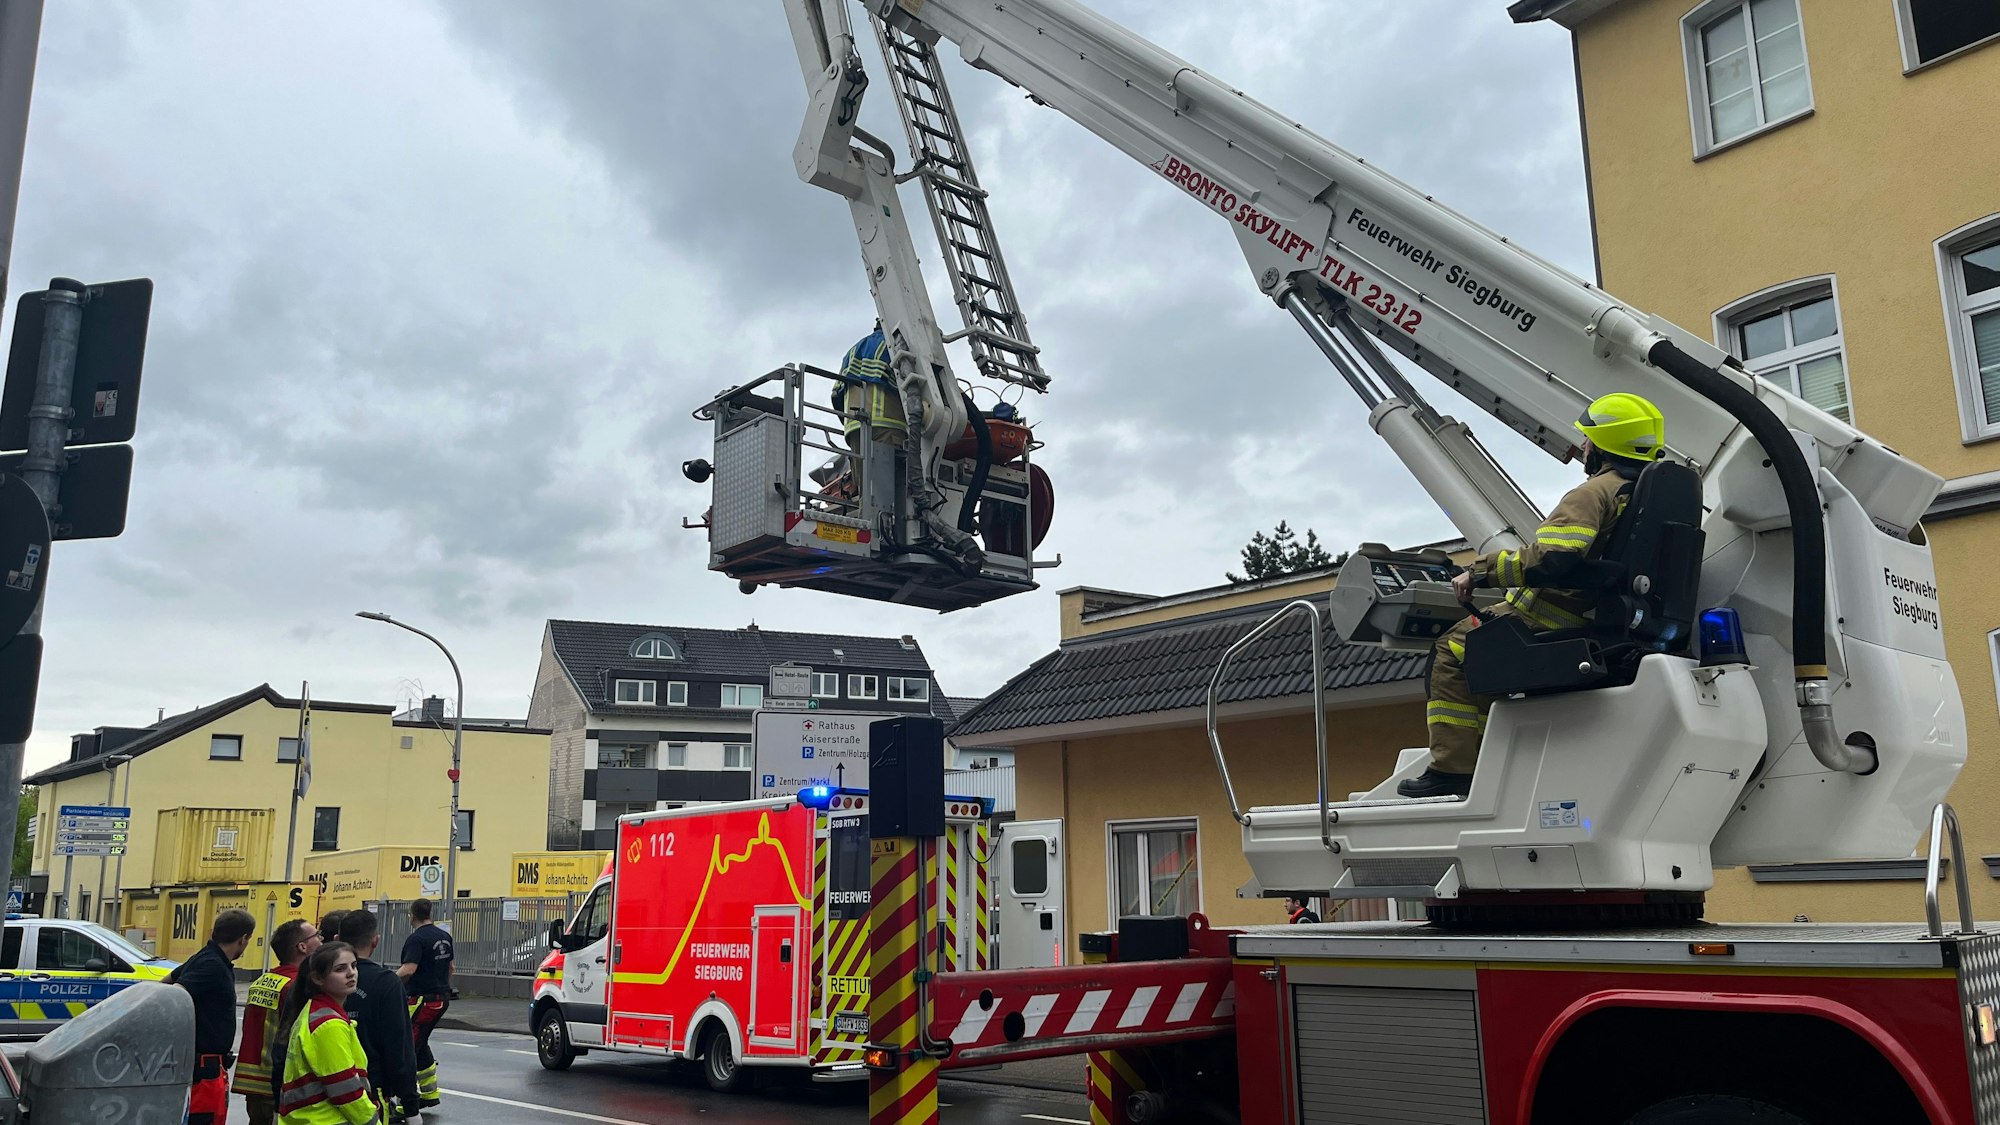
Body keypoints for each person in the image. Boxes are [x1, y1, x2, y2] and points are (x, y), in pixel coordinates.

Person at [1398, 392, 1668, 800]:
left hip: (1552, 618)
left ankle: (1453, 770)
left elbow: (1552, 561)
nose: (1584, 447)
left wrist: (1479, 572)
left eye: (1588, 439)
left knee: (1452, 650)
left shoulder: (1594, 492)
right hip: (1612, 619)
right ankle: (1486, 757)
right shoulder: (1652, 494)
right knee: (1481, 650)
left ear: (1602, 445)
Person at [273, 943, 381, 1125]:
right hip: (327, 1119)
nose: (351, 973)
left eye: (354, 966)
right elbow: (346, 1090)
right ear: (317, 978)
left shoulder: (314, 1011)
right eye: (340, 969)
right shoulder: (328, 1024)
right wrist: (372, 1122)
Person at [169, 907, 256, 1125]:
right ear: (243, 938)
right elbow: (173, 995)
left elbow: (167, 982)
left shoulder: (205, 957)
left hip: (203, 1067)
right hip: (203, 1071)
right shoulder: (212, 965)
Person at [236, 918, 323, 1125]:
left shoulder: (262, 981)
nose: (322, 940)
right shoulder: (297, 986)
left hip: (254, 1085)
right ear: (302, 947)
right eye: (317, 936)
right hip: (278, 1084)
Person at [338, 910, 420, 1121]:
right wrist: (410, 1106)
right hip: (370, 1092)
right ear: (375, 941)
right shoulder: (386, 983)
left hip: (321, 1095)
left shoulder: (314, 980)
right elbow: (399, 1046)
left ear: (338, 940)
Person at [396, 899, 454, 1109]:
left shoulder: (416, 939)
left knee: (407, 1048)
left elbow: (409, 969)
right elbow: (450, 967)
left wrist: (390, 983)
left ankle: (406, 1102)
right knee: (420, 1043)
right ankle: (429, 1094)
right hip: (441, 998)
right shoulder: (444, 936)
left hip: (421, 1000)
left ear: (412, 915)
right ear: (430, 912)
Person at [833, 323, 906, 449]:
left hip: (854, 427)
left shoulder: (852, 352)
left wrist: (847, 420)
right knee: (890, 468)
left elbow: (836, 395)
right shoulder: (893, 345)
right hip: (888, 428)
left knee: (862, 467)